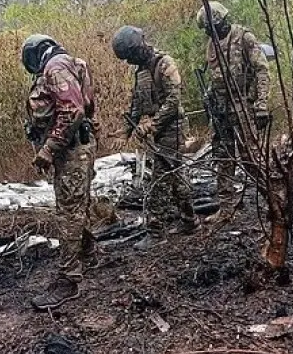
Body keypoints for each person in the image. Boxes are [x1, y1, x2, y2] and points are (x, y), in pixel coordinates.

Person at [21, 34, 98, 310]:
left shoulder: (55, 68)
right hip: (78, 148)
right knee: (77, 206)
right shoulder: (69, 64)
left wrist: (48, 149)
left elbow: (73, 110)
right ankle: (89, 252)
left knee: (68, 212)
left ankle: (68, 281)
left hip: (72, 150)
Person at [111, 25, 196, 250]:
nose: (129, 61)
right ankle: (190, 221)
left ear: (139, 48)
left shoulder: (164, 64)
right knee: (176, 175)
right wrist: (126, 130)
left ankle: (156, 232)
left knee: (159, 179)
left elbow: (173, 101)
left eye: (130, 56)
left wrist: (152, 125)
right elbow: (137, 104)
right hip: (159, 131)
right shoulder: (140, 71)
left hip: (173, 128)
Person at [195, 1, 271, 226]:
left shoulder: (244, 38)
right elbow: (215, 76)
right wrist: (209, 97)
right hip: (221, 111)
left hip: (243, 107)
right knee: (223, 159)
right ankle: (227, 209)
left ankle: (271, 201)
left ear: (220, 22)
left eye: (210, 28)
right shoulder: (212, 45)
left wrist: (261, 104)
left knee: (251, 159)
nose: (209, 33)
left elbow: (262, 70)